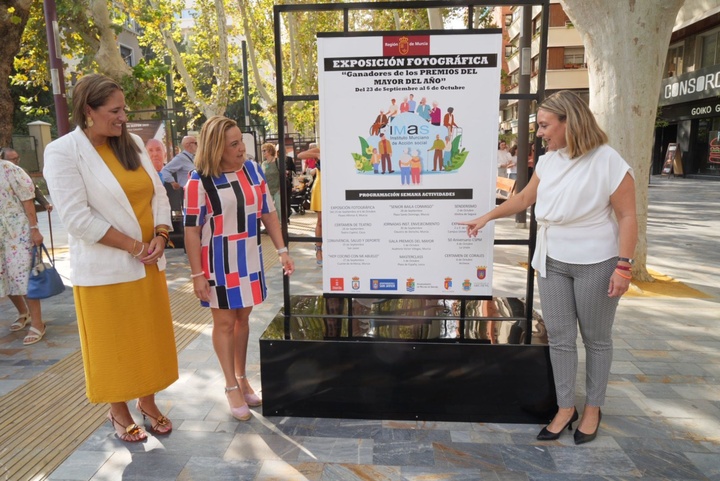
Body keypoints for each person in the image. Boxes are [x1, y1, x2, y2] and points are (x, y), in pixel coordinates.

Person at [461, 90, 637, 445]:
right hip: (553, 260)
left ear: (568, 121)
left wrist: (624, 267)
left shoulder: (608, 161)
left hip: (597, 261)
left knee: (596, 339)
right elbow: (525, 198)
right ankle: (565, 407)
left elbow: (628, 215)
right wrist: (487, 217)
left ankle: (593, 408)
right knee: (559, 338)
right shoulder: (549, 161)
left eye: (544, 125)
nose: (540, 133)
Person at [44, 73, 178, 442]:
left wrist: (162, 235)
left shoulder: (132, 142)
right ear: (88, 111)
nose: (123, 117)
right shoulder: (62, 152)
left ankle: (147, 403)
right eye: (115, 110)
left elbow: (158, 195)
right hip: (107, 270)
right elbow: (77, 218)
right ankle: (117, 411)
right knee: (115, 345)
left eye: (124, 109)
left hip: (149, 264)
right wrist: (135, 247)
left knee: (148, 340)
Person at [184, 116, 295, 421]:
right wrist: (197, 275)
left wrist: (282, 251)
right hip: (217, 261)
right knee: (224, 323)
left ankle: (241, 376)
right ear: (216, 148)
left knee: (243, 319)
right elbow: (192, 231)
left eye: (241, 141)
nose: (241, 148)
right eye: (234, 144)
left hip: (248, 256)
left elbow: (268, 213)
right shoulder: (198, 181)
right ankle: (231, 385)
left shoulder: (253, 169)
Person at [1, 156, 46, 345]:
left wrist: (34, 229)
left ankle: (38, 323)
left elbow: (28, 200)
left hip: (17, 229)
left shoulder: (9, 169)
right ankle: (23, 313)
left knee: (23, 276)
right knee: (4, 275)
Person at [1, 147, 53, 213]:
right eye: (13, 159)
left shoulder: (23, 172)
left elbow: (34, 189)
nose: (17, 161)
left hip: (28, 213)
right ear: (3, 160)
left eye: (17, 158)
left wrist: (45, 203)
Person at [298, 145, 323, 265]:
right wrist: (317, 155)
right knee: (320, 221)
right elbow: (300, 155)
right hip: (321, 187)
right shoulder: (319, 150)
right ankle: (319, 249)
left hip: (335, 188)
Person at [260, 143, 282, 223]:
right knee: (269, 209)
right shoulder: (264, 164)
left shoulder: (277, 161)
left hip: (277, 189)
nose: (263, 152)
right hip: (268, 190)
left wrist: (281, 187)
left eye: (265, 150)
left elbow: (281, 175)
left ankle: (281, 224)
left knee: (279, 208)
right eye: (262, 151)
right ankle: (271, 225)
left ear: (270, 151)